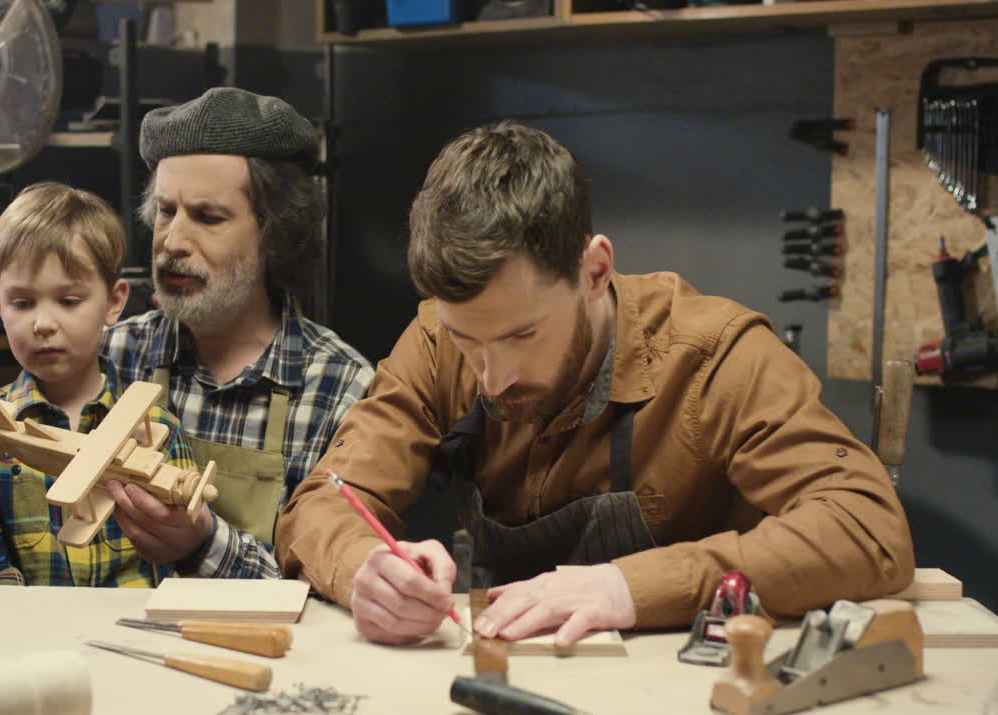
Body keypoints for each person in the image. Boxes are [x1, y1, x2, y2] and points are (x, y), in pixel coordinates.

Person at [275, 120, 915, 646]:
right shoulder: (439, 341)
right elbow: (321, 504)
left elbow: (867, 528)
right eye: (470, 343)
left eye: (523, 336)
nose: (493, 380)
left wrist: (628, 587)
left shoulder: (716, 356)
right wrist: (368, 569)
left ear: (595, 271)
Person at [99, 87, 374, 578]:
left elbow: (330, 587)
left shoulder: (339, 387)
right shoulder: (114, 355)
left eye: (208, 217)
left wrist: (203, 544)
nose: (173, 242)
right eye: (166, 211)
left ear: (276, 234)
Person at [0, 181, 199, 585]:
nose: (43, 324)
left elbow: (177, 564)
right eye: (23, 303)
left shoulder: (157, 424)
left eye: (69, 301)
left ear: (114, 302)